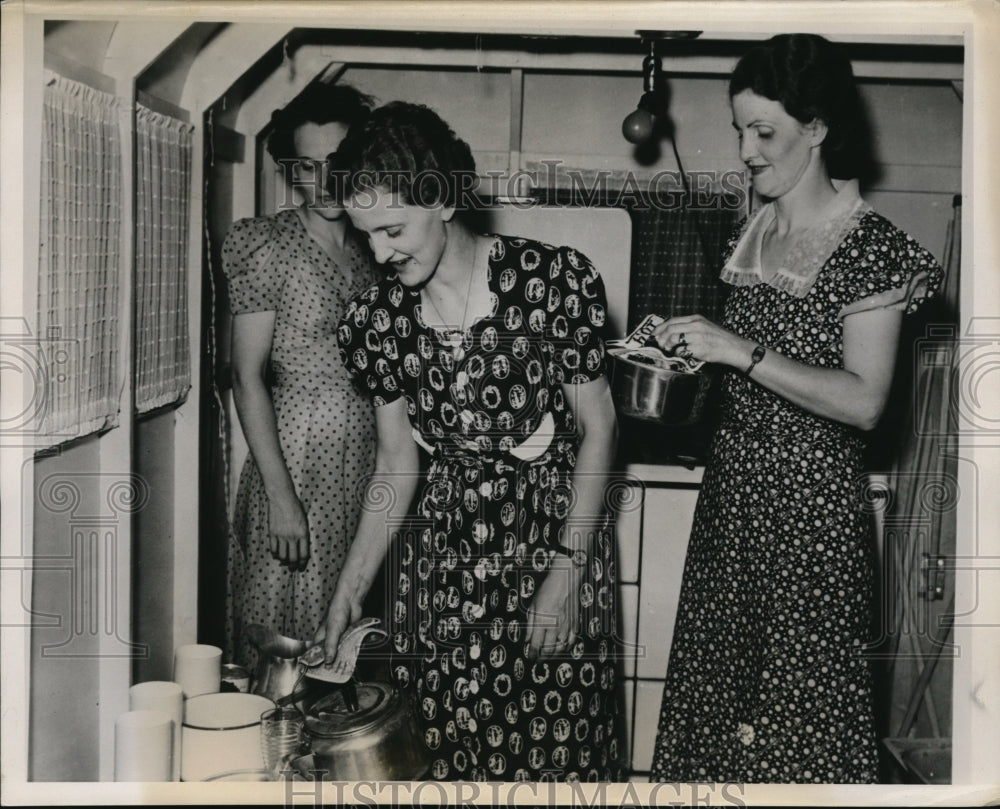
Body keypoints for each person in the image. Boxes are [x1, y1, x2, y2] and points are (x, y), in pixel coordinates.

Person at [648, 34, 944, 784]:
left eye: (765, 131)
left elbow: (865, 400)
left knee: (797, 724)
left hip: (810, 525)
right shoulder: (757, 232)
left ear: (816, 128)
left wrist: (735, 349)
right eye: (740, 128)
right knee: (717, 715)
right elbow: (749, 376)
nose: (746, 149)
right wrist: (684, 362)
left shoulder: (868, 246)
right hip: (732, 509)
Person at [316, 101, 625, 782]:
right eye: (366, 235)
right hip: (446, 576)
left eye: (393, 229)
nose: (379, 253)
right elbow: (396, 465)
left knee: (557, 760)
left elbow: (600, 429)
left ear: (444, 199)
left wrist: (565, 578)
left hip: (555, 549)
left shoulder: (551, 284)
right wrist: (349, 588)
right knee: (455, 759)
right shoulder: (377, 321)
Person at [222, 83, 379, 671]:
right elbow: (247, 377)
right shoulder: (268, 244)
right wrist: (281, 499)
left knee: (344, 640)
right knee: (282, 649)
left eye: (338, 163)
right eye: (308, 167)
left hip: (363, 467)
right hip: (293, 464)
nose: (326, 180)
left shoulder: (374, 249)